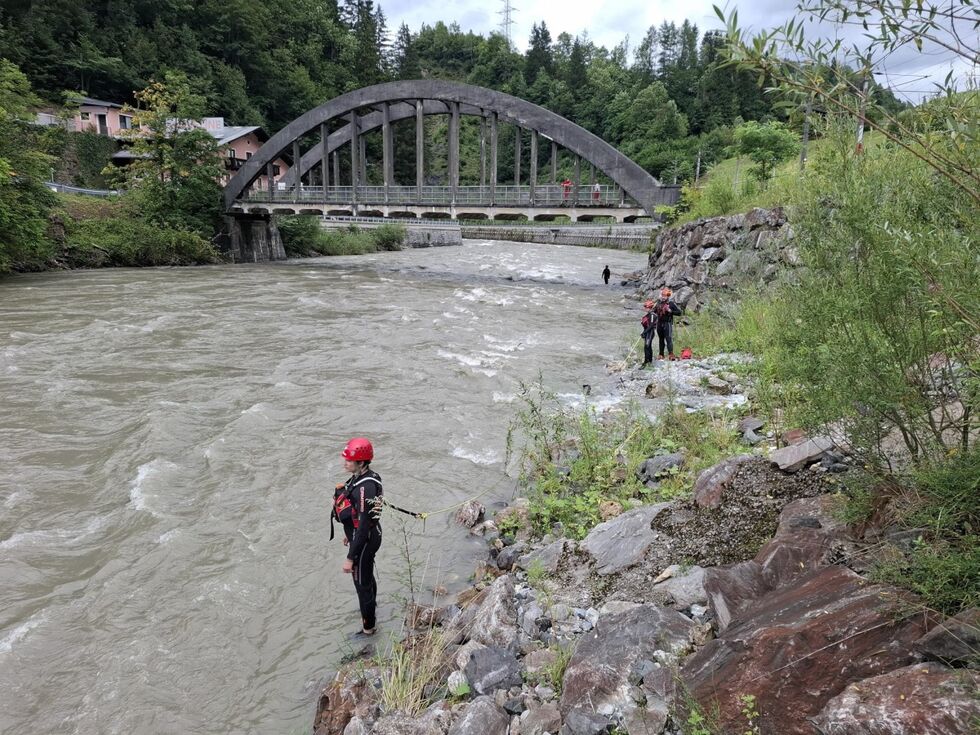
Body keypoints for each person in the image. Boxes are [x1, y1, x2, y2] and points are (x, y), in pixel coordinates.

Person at [333, 437, 383, 638]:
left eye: (349, 460)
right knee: (367, 577)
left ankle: (369, 629)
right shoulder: (364, 477)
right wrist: (348, 534)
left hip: (365, 540)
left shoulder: (364, 487)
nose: (345, 462)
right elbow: (357, 518)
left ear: (361, 462)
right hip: (365, 536)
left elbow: (362, 528)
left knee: (362, 584)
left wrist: (349, 557)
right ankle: (371, 607)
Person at [654, 287, 683, 360]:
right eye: (662, 295)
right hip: (659, 324)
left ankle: (671, 354)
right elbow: (654, 311)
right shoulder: (658, 303)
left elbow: (679, 313)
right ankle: (661, 354)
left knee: (668, 339)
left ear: (668, 296)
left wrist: (670, 311)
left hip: (667, 323)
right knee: (661, 339)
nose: (663, 297)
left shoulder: (671, 303)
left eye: (665, 296)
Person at [640, 299, 658, 367]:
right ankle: (649, 361)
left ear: (650, 307)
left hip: (650, 333)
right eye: (645, 307)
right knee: (648, 346)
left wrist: (644, 332)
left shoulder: (652, 315)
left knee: (647, 346)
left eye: (646, 307)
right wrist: (644, 332)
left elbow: (651, 325)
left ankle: (646, 362)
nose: (645, 308)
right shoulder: (648, 315)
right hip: (647, 332)